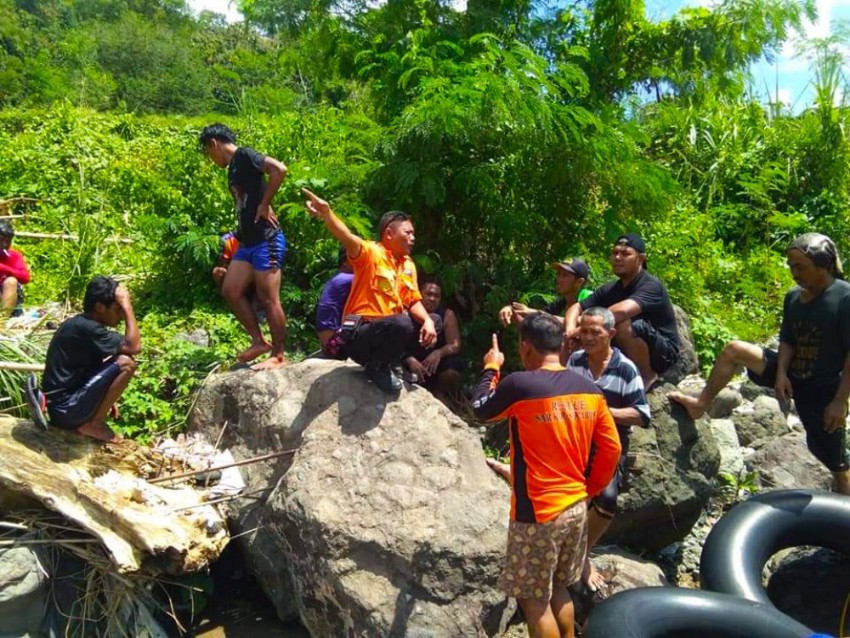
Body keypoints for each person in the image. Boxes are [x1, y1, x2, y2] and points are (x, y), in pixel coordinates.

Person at [472, 313, 621, 638]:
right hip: (576, 508)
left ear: (526, 347)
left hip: (538, 514)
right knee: (558, 587)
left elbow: (481, 408)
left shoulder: (521, 385)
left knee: (533, 600)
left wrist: (492, 366)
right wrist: (591, 488)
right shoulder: (590, 390)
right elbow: (612, 448)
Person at [669, 232, 850, 495]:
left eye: (801, 267)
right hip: (791, 373)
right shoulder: (793, 297)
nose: (794, 273)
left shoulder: (843, 297)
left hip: (824, 388)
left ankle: (843, 512)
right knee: (734, 350)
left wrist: (839, 402)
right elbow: (787, 340)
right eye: (791, 266)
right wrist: (781, 374)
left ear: (824, 265)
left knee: (836, 463)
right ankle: (700, 404)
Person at [302, 188, 437, 393]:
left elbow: (412, 300)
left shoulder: (408, 264)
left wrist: (427, 321)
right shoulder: (371, 253)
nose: (413, 238)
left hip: (390, 331)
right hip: (361, 335)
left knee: (434, 320)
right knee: (402, 322)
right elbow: (347, 237)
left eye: (413, 233)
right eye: (407, 233)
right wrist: (328, 214)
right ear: (389, 233)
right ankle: (376, 367)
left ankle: (390, 363)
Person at [567, 307, 650, 599]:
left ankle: (583, 553)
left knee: (607, 498)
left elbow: (642, 414)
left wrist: (603, 412)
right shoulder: (575, 361)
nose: (587, 337)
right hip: (575, 441)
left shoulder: (625, 368)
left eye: (595, 332)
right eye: (584, 331)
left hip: (609, 444)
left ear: (611, 334)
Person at [200, 123, 289, 371]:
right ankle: (259, 341)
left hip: (266, 239)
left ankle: (279, 355)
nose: (211, 158)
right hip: (247, 241)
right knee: (230, 289)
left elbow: (279, 170)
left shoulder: (245, 155)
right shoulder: (232, 169)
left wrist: (265, 203)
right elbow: (244, 205)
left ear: (214, 144)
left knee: (269, 298)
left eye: (208, 152)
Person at [564, 234, 679, 389]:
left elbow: (620, 312)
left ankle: (646, 377)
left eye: (625, 254)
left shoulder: (651, 285)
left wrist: (581, 330)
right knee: (563, 326)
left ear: (641, 259)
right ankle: (568, 378)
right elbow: (576, 307)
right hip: (628, 345)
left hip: (662, 353)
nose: (617, 258)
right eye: (615, 253)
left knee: (622, 323)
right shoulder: (612, 288)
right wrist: (570, 331)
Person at [41, 276, 140, 442]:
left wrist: (105, 399)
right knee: (126, 363)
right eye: (117, 309)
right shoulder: (87, 328)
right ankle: (94, 423)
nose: (121, 315)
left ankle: (93, 420)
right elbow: (133, 346)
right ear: (100, 307)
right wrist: (127, 306)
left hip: (62, 407)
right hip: (66, 408)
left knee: (120, 360)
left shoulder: (80, 324)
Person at [403, 276, 466, 411]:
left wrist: (439, 353)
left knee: (453, 367)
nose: (432, 298)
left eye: (436, 296)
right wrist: (410, 360)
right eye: (428, 294)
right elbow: (396, 344)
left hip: (434, 364)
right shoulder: (406, 312)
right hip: (410, 361)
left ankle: (443, 398)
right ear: (420, 294)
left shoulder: (447, 315)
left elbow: (455, 345)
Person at [499, 257, 591, 328]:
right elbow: (541, 321)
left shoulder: (588, 298)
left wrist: (531, 312)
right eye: (559, 274)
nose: (559, 279)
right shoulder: (562, 303)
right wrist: (512, 311)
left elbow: (582, 323)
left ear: (579, 282)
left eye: (565, 275)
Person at [212, 230, 265, 324]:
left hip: (253, 275)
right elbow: (223, 263)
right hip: (234, 274)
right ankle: (230, 303)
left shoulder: (258, 239)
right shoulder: (228, 240)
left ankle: (258, 308)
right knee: (218, 272)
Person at [316, 248, 354, 358]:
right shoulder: (348, 279)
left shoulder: (338, 277)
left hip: (330, 344)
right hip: (335, 344)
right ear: (346, 262)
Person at [0, 220, 31, 318]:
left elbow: (25, 277)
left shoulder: (14, 256)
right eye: (1, 240)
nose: (4, 244)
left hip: (5, 296)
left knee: (11, 281)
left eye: (8, 241)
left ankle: (2, 318)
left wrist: (4, 268)